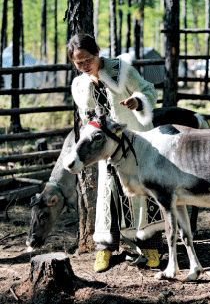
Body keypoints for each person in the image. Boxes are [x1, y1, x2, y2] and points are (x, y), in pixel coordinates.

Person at [68, 33, 161, 272]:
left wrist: (138, 101)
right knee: (109, 193)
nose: (84, 66)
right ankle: (105, 248)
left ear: (97, 53)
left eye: (87, 59)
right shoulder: (80, 86)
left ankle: (149, 244)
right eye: (78, 63)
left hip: (135, 141)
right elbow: (86, 117)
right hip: (106, 147)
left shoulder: (121, 70)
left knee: (141, 190)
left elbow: (148, 90)